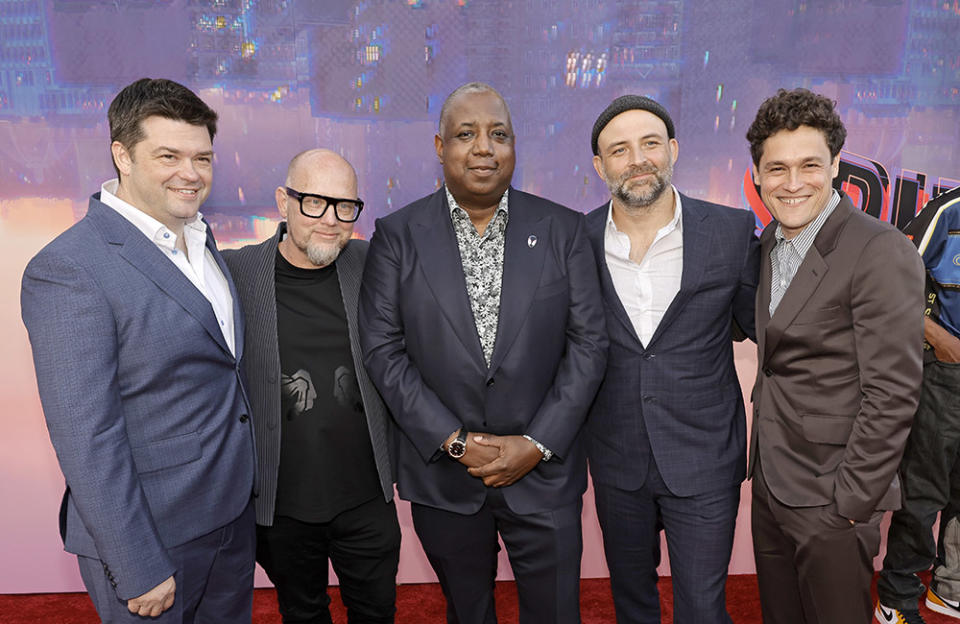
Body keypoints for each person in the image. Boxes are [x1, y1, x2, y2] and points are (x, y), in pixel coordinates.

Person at [357, 82, 608, 624]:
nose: (483, 148)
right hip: (446, 482)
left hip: (544, 475)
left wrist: (536, 444)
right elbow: (383, 350)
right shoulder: (397, 236)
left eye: (499, 134)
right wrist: (454, 442)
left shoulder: (563, 230)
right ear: (439, 146)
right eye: (465, 134)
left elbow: (589, 345)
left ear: (515, 146)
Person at [20, 78, 256, 622]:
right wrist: (137, 563)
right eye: (168, 155)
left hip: (228, 523)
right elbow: (87, 436)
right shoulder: (70, 268)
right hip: (151, 538)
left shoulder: (199, 237)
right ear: (121, 155)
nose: (191, 174)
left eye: (203, 157)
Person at [746, 87, 925, 624]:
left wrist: (850, 505)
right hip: (772, 487)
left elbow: (893, 393)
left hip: (833, 500)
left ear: (836, 166)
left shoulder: (878, 249)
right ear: (757, 175)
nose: (793, 183)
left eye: (809, 165)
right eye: (777, 168)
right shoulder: (770, 243)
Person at [584, 95, 759, 623]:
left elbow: (767, 329)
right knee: (631, 602)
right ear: (600, 166)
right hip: (616, 459)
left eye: (650, 143)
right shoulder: (574, 239)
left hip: (705, 457)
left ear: (673, 150)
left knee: (703, 609)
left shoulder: (730, 230)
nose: (637, 159)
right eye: (619, 149)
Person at [222, 148, 400, 623]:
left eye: (345, 206)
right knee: (302, 614)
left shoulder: (372, 263)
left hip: (367, 497)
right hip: (281, 504)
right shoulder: (235, 273)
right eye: (314, 203)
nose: (331, 220)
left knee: (377, 612)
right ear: (284, 202)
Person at [876, 184, 960, 624]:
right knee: (924, 491)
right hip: (946, 373)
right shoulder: (949, 208)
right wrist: (940, 340)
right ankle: (898, 597)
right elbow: (890, 279)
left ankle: (950, 589)